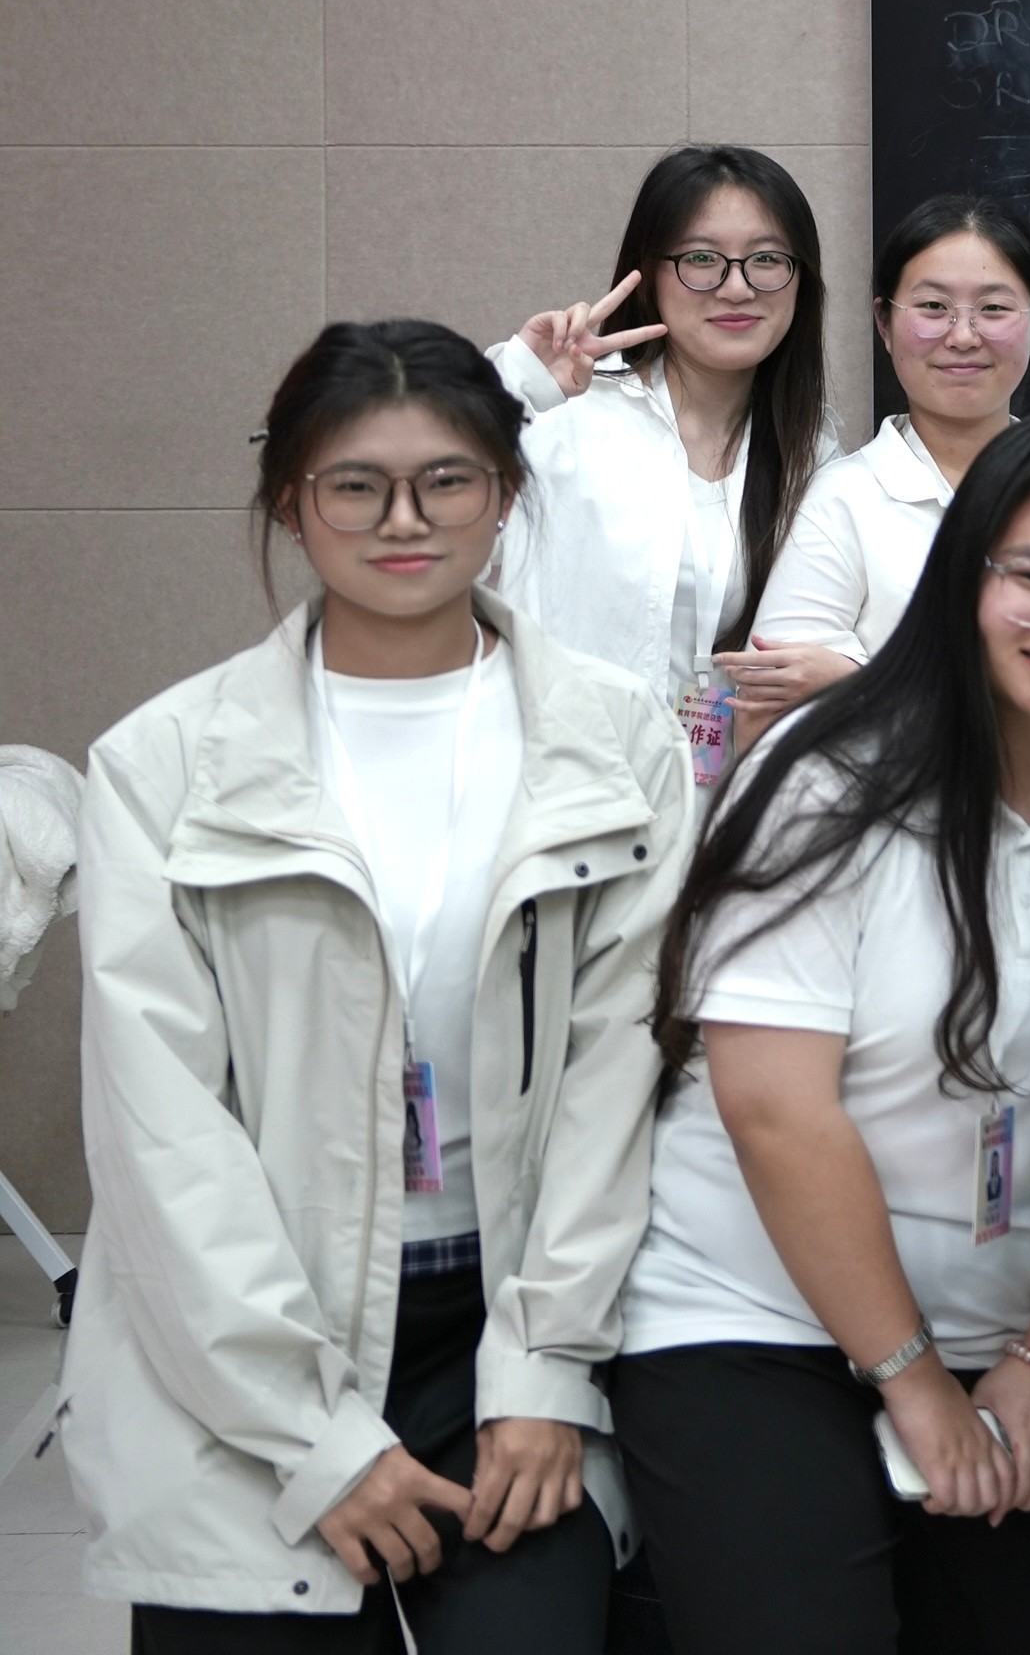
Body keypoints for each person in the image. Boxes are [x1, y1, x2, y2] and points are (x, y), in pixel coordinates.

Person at [69, 320, 689, 1648]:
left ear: (506, 492)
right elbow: (160, 1135)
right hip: (245, 1342)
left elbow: (619, 1067)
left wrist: (546, 1367)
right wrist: (310, 1436)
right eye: (356, 484)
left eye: (446, 480)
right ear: (290, 501)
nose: (404, 521)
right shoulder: (163, 764)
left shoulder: (613, 739)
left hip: (509, 1316)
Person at [608, 409, 1030, 1655]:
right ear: (964, 574)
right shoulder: (827, 775)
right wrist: (916, 1382)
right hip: (755, 1313)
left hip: (1012, 1331)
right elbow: (775, 1109)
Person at [495, 144, 838, 771]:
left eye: (767, 260)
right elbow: (430, 505)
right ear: (649, 273)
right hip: (569, 792)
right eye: (701, 259)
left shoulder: (810, 451)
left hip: (726, 798)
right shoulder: (563, 416)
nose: (737, 287)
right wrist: (518, 384)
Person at [750, 193, 1030, 702]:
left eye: (994, 309)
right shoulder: (842, 499)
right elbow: (772, 705)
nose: (963, 336)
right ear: (884, 324)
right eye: (933, 307)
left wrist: (858, 681)